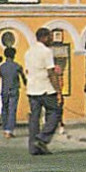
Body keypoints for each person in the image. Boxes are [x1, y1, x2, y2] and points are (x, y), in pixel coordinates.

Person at [22, 28, 62, 156]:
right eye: (50, 37)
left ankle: (34, 147)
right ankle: (42, 138)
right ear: (44, 38)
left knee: (34, 117)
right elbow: (51, 72)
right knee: (55, 112)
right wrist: (58, 91)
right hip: (46, 88)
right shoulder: (46, 52)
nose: (52, 40)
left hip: (32, 89)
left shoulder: (28, 52)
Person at [0, 46, 24, 139]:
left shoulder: (1, 67)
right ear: (14, 55)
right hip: (14, 90)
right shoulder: (17, 66)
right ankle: (9, 130)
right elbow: (23, 77)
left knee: (4, 109)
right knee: (12, 110)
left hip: (4, 90)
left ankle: (5, 128)